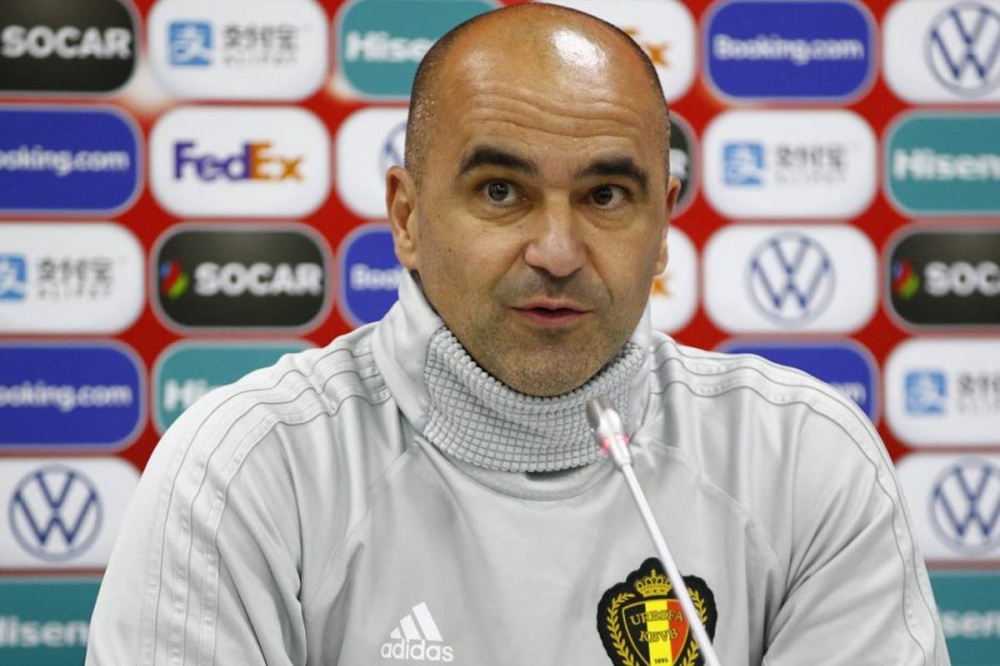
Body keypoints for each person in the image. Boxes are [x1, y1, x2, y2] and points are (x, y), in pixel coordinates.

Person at [86, 5, 950, 665]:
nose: (557, 251)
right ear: (407, 216)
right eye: (501, 191)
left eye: (606, 196)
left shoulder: (802, 459)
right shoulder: (248, 470)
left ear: (663, 224)